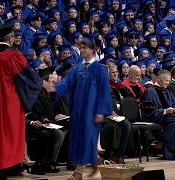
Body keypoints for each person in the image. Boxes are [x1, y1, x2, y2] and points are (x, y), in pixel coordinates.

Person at [0, 23, 44, 179]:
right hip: (9, 105)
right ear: (11, 38)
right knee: (7, 138)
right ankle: (2, 173)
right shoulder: (15, 56)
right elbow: (29, 80)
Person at [45, 35, 113, 180]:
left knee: (86, 139)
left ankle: (80, 172)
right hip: (77, 110)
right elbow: (65, 84)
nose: (82, 50)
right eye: (81, 48)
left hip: (92, 111)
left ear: (93, 50)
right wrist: (54, 88)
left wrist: (101, 110)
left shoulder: (99, 70)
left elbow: (104, 91)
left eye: (85, 48)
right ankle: (95, 162)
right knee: (80, 141)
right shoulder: (76, 69)